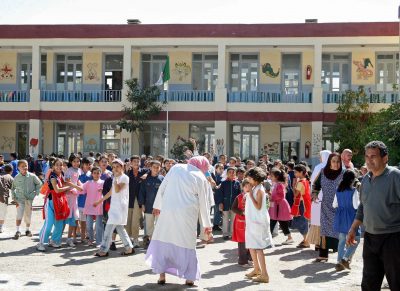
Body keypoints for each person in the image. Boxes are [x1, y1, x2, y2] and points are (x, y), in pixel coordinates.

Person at [145, 156, 212, 287]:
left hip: (168, 212)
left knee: (164, 240)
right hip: (187, 216)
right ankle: (189, 278)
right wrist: (207, 225)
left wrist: (157, 205)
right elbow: (204, 204)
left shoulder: (176, 168)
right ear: (203, 166)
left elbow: (162, 187)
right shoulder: (201, 177)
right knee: (187, 244)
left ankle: (161, 275)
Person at [347, 141, 400, 290]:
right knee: (369, 284)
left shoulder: (395, 176)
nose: (369, 160)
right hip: (370, 238)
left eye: (374, 156)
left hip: (393, 239)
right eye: (367, 156)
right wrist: (353, 228)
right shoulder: (365, 179)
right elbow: (363, 206)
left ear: (385, 158)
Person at [94, 159, 134, 257]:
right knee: (120, 228)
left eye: (118, 167)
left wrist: (115, 178)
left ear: (122, 167)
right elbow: (111, 192)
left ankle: (103, 250)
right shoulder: (114, 178)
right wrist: (99, 201)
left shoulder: (125, 178)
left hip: (120, 207)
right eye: (114, 167)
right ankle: (129, 248)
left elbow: (117, 189)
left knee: (108, 228)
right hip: (114, 206)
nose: (115, 169)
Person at [36, 158, 76, 251]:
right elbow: (57, 189)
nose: (59, 166)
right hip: (51, 201)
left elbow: (65, 182)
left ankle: (54, 240)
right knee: (48, 224)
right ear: (53, 166)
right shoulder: (53, 176)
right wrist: (69, 187)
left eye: (61, 165)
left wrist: (75, 186)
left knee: (59, 223)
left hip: (59, 201)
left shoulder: (61, 174)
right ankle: (40, 243)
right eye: (57, 165)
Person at [244, 167, 273, 284]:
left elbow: (258, 206)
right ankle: (256, 269)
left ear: (255, 178)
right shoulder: (255, 187)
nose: (248, 180)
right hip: (252, 221)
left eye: (249, 178)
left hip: (258, 222)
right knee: (251, 245)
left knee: (258, 247)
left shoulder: (259, 190)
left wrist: (250, 195)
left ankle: (264, 274)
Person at [313, 153, 343, 262]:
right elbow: (316, 185)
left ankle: (341, 255)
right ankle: (323, 254)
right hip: (325, 206)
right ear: (329, 162)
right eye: (334, 161)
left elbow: (354, 183)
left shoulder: (344, 173)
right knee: (324, 230)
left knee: (339, 230)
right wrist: (315, 194)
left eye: (338, 161)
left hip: (340, 207)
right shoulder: (322, 172)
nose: (336, 164)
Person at [332, 169, 360, 272]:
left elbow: (334, 205)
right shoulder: (354, 191)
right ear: (353, 180)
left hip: (340, 217)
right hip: (351, 217)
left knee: (342, 241)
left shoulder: (338, 190)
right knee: (356, 239)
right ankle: (345, 258)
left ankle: (339, 262)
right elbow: (356, 206)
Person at [11, 160, 42, 239]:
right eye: (22, 166)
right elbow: (13, 188)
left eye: (26, 166)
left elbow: (39, 184)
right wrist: (14, 198)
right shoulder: (16, 177)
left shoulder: (32, 176)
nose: (25, 168)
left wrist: (35, 193)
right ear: (18, 168)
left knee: (28, 215)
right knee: (19, 215)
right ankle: (17, 231)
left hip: (29, 200)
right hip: (19, 200)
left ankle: (27, 230)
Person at [307, 150, 331, 249]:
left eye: (320, 156)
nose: (319, 158)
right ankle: (327, 244)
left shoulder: (318, 167)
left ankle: (318, 242)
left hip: (318, 197)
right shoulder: (334, 167)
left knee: (318, 221)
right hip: (329, 198)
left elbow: (313, 182)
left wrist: (311, 195)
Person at [138, 160, 164, 247]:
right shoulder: (146, 179)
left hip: (160, 207)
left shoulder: (162, 179)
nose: (156, 169)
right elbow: (141, 192)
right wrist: (142, 204)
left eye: (158, 167)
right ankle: (149, 240)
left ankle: (156, 241)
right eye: (154, 167)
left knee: (159, 224)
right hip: (148, 206)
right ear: (150, 168)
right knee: (149, 224)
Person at [126, 155, 148, 248]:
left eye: (137, 161)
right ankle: (128, 238)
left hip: (138, 199)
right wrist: (126, 171)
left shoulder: (143, 171)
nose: (136, 163)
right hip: (127, 198)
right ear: (130, 162)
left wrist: (147, 174)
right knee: (128, 220)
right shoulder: (127, 171)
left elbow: (151, 171)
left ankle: (135, 239)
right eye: (134, 161)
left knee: (135, 220)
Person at [269, 168, 293, 245]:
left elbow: (281, 196)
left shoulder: (279, 184)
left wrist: (272, 198)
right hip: (277, 206)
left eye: (272, 176)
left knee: (276, 222)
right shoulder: (277, 184)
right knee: (280, 223)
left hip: (280, 206)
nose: (270, 177)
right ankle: (289, 237)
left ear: (276, 177)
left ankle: (267, 239)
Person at [82, 166, 104, 246]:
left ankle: (99, 241)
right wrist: (72, 189)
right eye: (94, 173)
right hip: (89, 206)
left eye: (98, 173)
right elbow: (81, 190)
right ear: (92, 174)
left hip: (99, 206)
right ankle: (91, 239)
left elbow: (107, 193)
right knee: (89, 225)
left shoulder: (103, 183)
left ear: (100, 174)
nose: (96, 174)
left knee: (99, 226)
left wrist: (103, 191)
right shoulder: (88, 183)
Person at [231, 178, 252, 266]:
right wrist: (241, 212)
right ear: (242, 187)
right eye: (246, 186)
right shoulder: (239, 197)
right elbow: (233, 208)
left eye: (249, 186)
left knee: (251, 241)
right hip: (241, 222)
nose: (248, 188)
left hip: (251, 222)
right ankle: (242, 261)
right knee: (242, 243)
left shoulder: (253, 196)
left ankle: (250, 259)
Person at [217, 167, 241, 240]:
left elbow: (239, 194)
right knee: (225, 219)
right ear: (227, 173)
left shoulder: (237, 183)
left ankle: (232, 233)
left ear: (235, 174)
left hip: (234, 205)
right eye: (229, 172)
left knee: (233, 219)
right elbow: (220, 193)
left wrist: (239, 204)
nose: (231, 174)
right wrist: (220, 202)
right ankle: (225, 234)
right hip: (225, 204)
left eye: (233, 172)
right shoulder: (223, 183)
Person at [291, 164, 311, 248]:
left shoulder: (300, 182)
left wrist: (293, 186)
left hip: (301, 204)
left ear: (301, 172)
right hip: (305, 203)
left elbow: (296, 194)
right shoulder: (305, 180)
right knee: (303, 222)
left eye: (296, 172)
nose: (295, 174)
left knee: (301, 223)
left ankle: (306, 241)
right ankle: (305, 239)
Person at [64, 154, 82, 247]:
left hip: (75, 196)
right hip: (68, 196)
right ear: (71, 162)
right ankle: (58, 237)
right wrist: (77, 187)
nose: (76, 163)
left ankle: (69, 238)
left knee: (74, 217)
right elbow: (66, 182)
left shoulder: (79, 170)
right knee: (66, 217)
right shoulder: (69, 170)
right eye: (74, 161)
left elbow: (77, 180)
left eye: (78, 161)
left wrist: (81, 185)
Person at [77, 157, 92, 244]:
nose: (88, 166)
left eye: (90, 164)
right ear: (82, 165)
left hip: (89, 201)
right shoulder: (79, 174)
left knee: (88, 221)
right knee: (81, 221)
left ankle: (88, 236)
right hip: (80, 201)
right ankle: (82, 237)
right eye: (87, 164)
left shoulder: (92, 175)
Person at [0, 164, 13, 233]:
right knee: (2, 213)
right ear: (12, 171)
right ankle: (0, 227)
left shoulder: (1, 175)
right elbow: (14, 188)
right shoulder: (10, 177)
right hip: (3, 197)